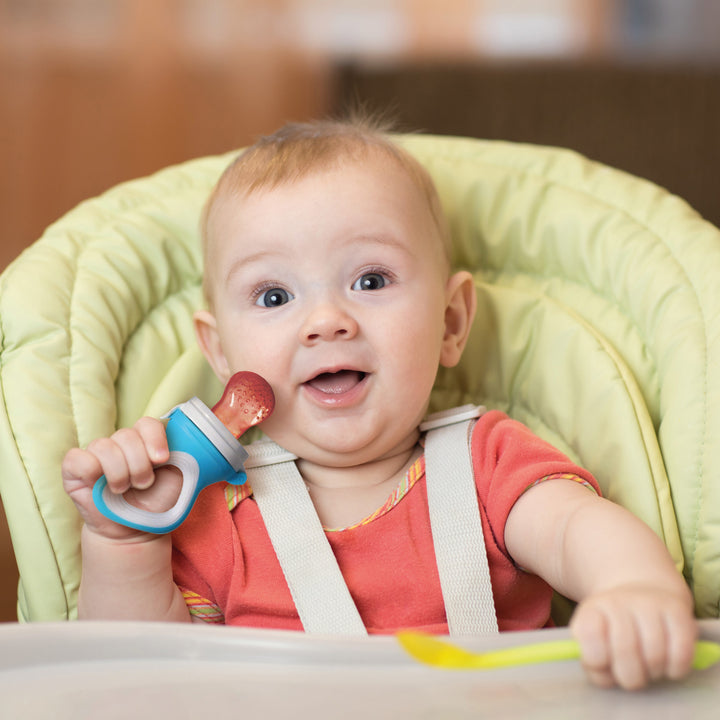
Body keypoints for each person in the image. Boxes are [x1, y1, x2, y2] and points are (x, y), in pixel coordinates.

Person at [62, 117, 697, 690]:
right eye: (274, 296)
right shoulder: (211, 512)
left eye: (370, 280)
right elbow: (136, 677)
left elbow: (574, 530)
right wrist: (124, 538)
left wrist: (632, 588)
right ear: (221, 352)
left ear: (450, 322)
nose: (326, 320)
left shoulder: (487, 463)